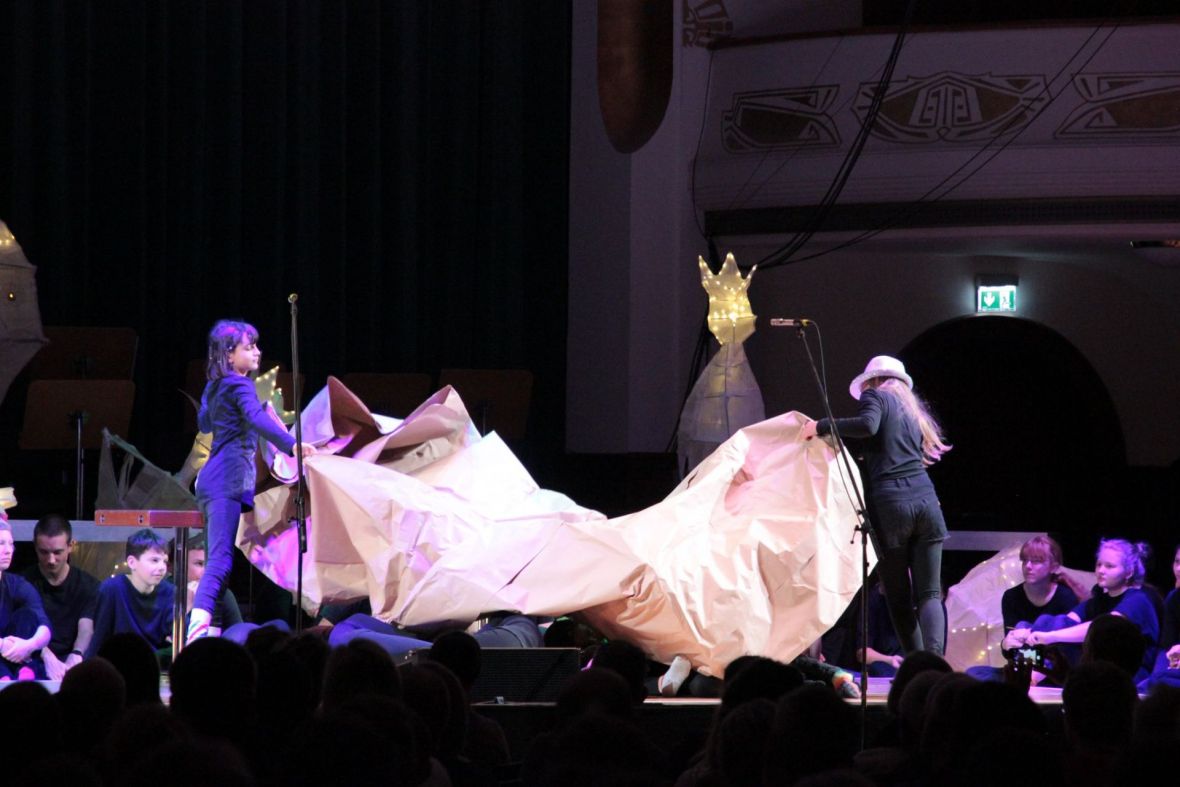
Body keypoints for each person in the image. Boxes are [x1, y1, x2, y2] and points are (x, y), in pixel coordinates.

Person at [801, 355, 952, 655]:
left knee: (898, 598)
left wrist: (819, 426)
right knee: (930, 594)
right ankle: (934, 664)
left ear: (873, 381)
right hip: (927, 502)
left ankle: (916, 666)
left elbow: (867, 426)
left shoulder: (876, 396)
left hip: (892, 507)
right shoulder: (912, 412)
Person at [191, 319, 315, 643]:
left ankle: (208, 637)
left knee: (220, 565)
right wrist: (293, 446)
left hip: (212, 480)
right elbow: (256, 418)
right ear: (229, 356)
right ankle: (195, 638)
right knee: (218, 564)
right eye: (249, 347)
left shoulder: (217, 386)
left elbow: (204, 419)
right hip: (226, 481)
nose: (258, 352)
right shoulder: (241, 384)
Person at [1010, 539, 1159, 682]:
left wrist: (1049, 636)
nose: (1101, 571)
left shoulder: (1138, 600)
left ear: (1129, 572)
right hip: (1098, 665)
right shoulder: (1100, 597)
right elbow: (1066, 621)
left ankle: (1028, 671)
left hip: (1125, 672)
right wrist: (1027, 632)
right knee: (1040, 622)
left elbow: (1100, 629)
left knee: (1053, 635)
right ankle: (1027, 668)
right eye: (1099, 564)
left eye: (1109, 566)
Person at [20, 514, 101, 680]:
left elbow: (86, 627)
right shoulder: (22, 584)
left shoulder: (88, 585)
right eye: (44, 552)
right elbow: (23, 626)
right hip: (32, 659)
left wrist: (76, 655)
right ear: (35, 547)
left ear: (71, 546)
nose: (51, 560)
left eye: (57, 552)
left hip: (74, 662)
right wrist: (47, 657)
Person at [86, 528, 175, 659]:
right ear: (132, 562)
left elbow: (182, 640)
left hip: (154, 666)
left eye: (165, 561)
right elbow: (100, 640)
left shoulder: (170, 592)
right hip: (116, 665)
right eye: (154, 560)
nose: (162, 567)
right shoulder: (111, 589)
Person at [0, 518, 52, 680]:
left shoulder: (16, 584)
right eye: (1, 543)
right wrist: (1, 645)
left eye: (11, 543)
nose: (8, 550)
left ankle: (23, 675)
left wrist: (29, 645)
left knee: (27, 616)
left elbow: (44, 625)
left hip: (11, 657)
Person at [1001, 535, 1080, 633]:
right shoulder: (1011, 597)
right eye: (1025, 560)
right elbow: (1009, 643)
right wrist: (1005, 643)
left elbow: (1070, 643)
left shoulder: (1066, 597)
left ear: (1053, 567)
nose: (1028, 566)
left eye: (1036, 561)